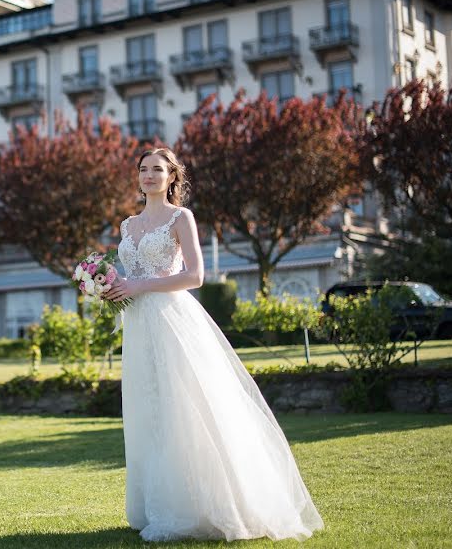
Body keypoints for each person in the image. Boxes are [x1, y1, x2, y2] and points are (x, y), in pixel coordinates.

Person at [102, 147, 324, 542]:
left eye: (158, 169)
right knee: (147, 411)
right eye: (143, 169)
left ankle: (204, 507)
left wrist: (141, 285)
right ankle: (154, 505)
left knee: (184, 409)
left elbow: (195, 276)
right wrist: (114, 287)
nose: (149, 175)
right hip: (138, 326)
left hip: (172, 320)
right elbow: (131, 275)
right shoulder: (127, 225)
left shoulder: (180, 217)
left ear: (172, 178)